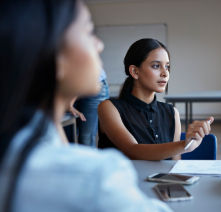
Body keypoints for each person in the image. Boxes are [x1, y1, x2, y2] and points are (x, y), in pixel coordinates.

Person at [0, 1, 171, 211]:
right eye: (89, 32)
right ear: (55, 57)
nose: (100, 45)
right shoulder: (97, 178)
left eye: (167, 67)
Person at [98, 38, 214, 160]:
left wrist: (189, 143)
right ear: (134, 71)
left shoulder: (172, 112)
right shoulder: (109, 108)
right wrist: (184, 145)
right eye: (156, 66)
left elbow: (174, 164)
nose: (165, 73)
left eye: (167, 67)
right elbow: (133, 150)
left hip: (162, 180)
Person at [68, 66, 110, 147]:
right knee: (69, 135)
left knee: (86, 138)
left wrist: (69, 103)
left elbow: (81, 73)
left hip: (92, 87)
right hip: (69, 88)